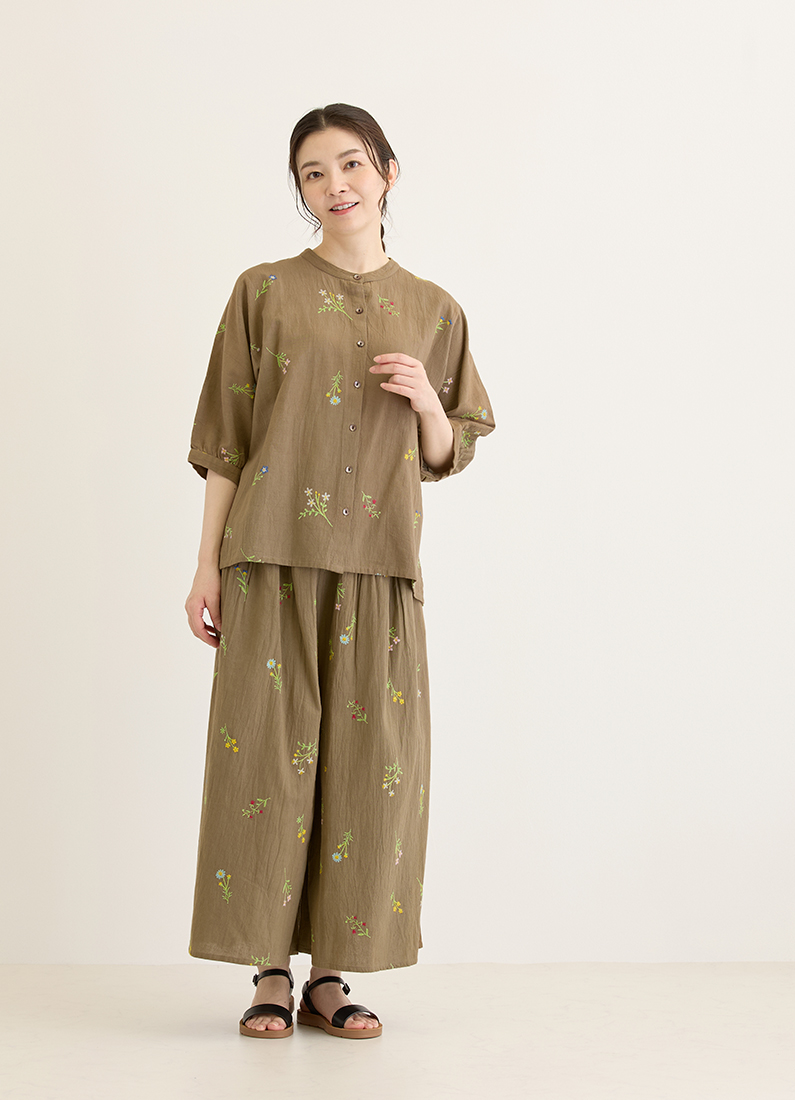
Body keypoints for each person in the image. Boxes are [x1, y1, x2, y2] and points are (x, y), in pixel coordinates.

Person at [183, 103, 495, 1039]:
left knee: (369, 773)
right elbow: (227, 438)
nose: (335, 185)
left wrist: (426, 402)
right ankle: (267, 974)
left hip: (379, 567)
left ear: (388, 172)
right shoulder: (263, 290)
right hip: (268, 558)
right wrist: (205, 565)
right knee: (264, 763)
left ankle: (332, 976)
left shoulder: (435, 309)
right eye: (313, 173)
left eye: (351, 164)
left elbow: (449, 448)